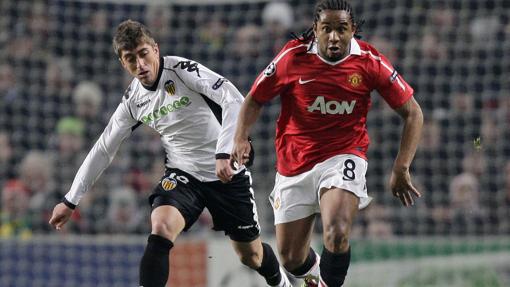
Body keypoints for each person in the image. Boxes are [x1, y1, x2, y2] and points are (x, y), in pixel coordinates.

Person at [49, 20, 290, 287]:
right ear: (122, 63)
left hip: (226, 172)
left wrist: (224, 151)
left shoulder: (182, 70)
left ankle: (280, 281)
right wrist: (71, 200)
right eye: (130, 59)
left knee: (251, 256)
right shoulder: (132, 102)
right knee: (161, 225)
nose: (140, 65)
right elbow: (104, 148)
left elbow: (232, 98)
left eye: (143, 54)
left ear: (155, 49)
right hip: (182, 173)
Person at [232, 1, 424, 286]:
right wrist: (240, 137)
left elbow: (413, 113)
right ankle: (318, 278)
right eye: (327, 29)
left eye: (341, 29)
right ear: (315, 30)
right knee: (291, 258)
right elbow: (255, 98)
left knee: (337, 230)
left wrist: (401, 167)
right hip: (294, 161)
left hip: (344, 154)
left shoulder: (370, 61)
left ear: (353, 30)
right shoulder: (292, 57)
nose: (334, 37)